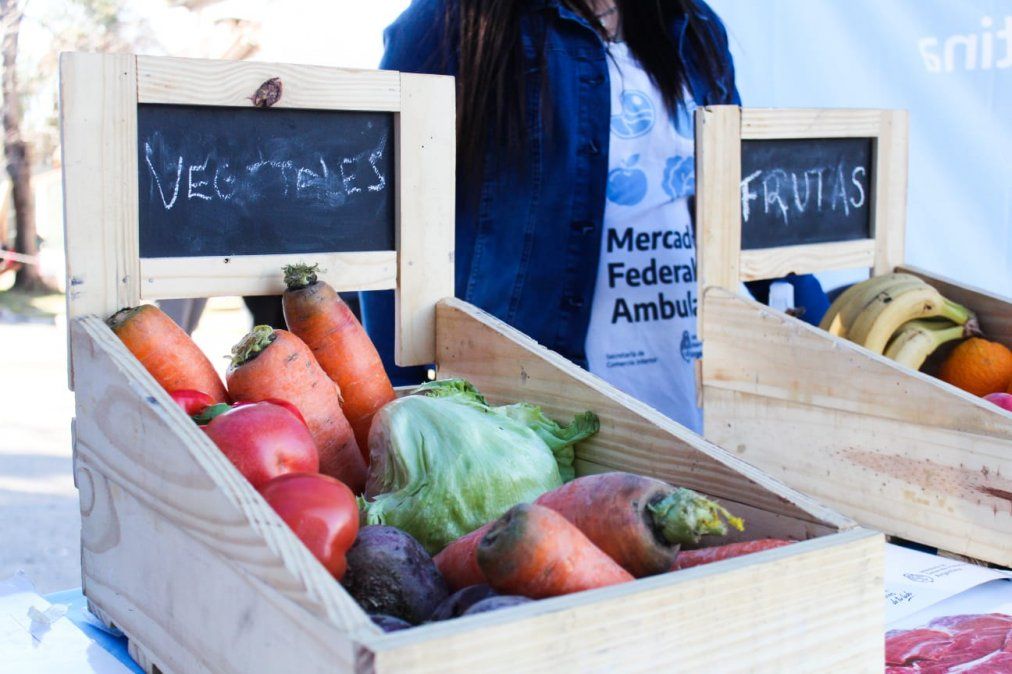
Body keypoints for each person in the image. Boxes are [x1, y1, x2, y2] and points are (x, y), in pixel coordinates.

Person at [363, 0, 828, 432]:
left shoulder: (692, 25)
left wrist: (833, 341)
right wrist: (404, 417)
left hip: (687, 400)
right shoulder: (451, 22)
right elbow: (388, 230)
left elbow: (746, 205)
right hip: (531, 420)